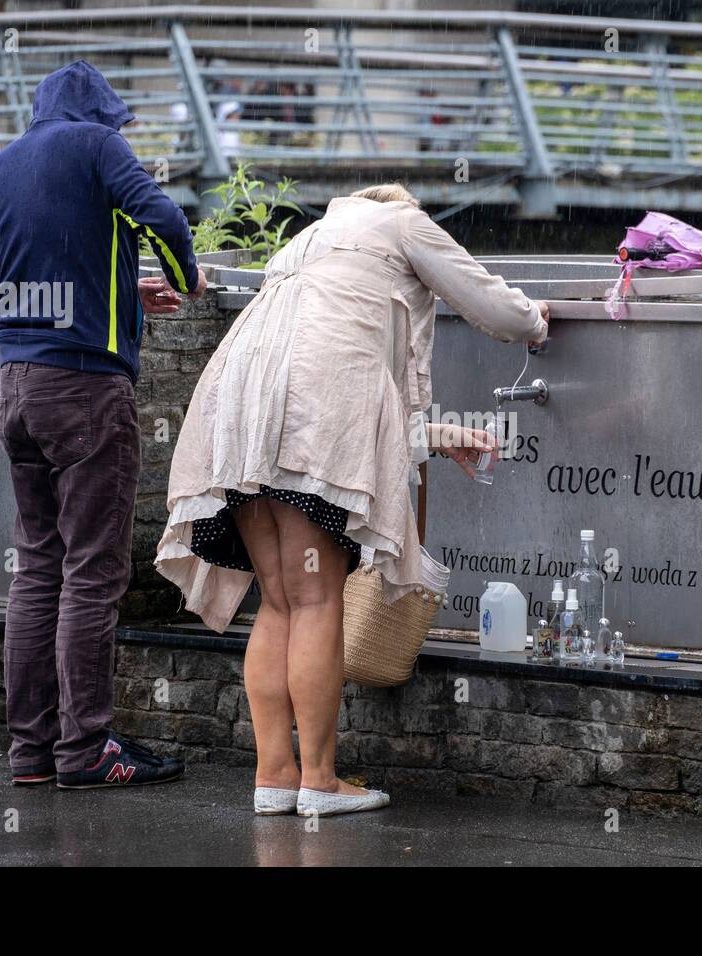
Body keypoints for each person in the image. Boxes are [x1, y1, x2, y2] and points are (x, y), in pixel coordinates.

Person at [156, 183, 549, 817]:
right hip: (312, 411)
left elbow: (328, 357)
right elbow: (490, 307)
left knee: (279, 602)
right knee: (315, 599)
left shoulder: (305, 241)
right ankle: (319, 780)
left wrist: (439, 436)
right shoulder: (403, 223)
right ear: (403, 202)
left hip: (241, 410)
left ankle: (274, 777)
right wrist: (536, 321)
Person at [0, 60, 207, 790]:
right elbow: (163, 217)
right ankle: (85, 749)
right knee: (93, 570)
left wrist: (124, 295)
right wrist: (186, 274)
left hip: (16, 390)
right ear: (99, 116)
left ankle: (31, 753)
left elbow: (12, 280)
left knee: (37, 567)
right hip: (84, 391)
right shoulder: (96, 146)